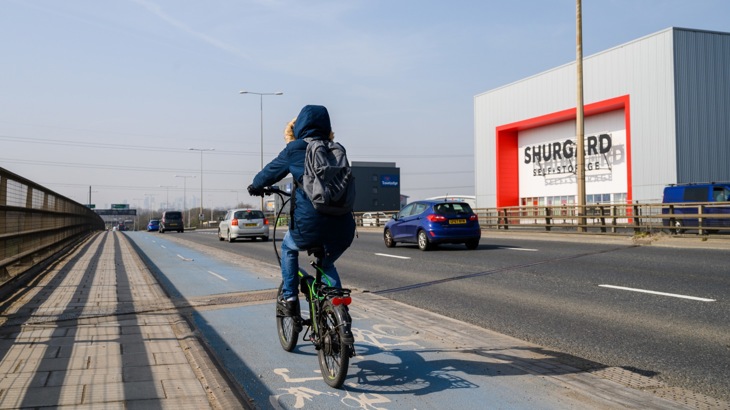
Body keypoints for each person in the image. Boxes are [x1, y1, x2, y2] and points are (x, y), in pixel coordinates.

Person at [247, 105, 356, 319]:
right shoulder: (337, 149)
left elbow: (268, 174)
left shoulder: (295, 149)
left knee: (288, 247)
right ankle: (338, 313)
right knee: (327, 263)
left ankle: (289, 298)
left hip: (309, 225)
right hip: (343, 227)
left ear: (301, 127)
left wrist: (255, 186)